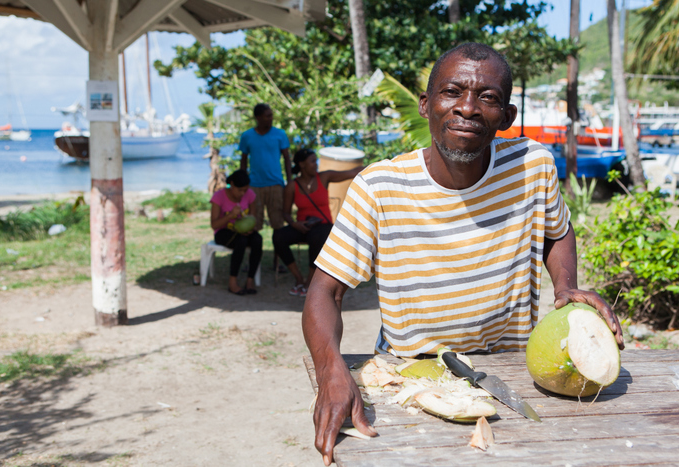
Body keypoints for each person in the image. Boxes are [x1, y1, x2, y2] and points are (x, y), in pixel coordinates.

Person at [301, 42, 626, 466]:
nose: (468, 108)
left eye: (488, 97)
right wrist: (331, 370)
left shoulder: (533, 167)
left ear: (507, 117)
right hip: (409, 374)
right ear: (426, 104)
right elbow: (325, 292)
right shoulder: (379, 188)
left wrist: (566, 286)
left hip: (509, 370)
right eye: (452, 92)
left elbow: (557, 233)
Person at [273, 148, 364, 297]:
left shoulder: (324, 177)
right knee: (278, 237)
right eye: (312, 161)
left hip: (323, 226)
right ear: (302, 164)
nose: (316, 164)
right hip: (303, 226)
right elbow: (285, 213)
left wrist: (375, 167)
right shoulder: (292, 186)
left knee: (318, 236)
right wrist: (295, 224)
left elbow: (351, 172)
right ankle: (298, 278)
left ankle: (310, 282)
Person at [239, 103, 292, 235]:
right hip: (254, 185)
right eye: (267, 116)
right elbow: (244, 160)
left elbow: (287, 158)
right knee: (254, 222)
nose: (270, 118)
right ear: (258, 117)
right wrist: (243, 182)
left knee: (278, 222)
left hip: (275, 184)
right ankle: (255, 253)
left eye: (271, 116)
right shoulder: (247, 136)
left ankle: (278, 255)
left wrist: (289, 181)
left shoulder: (280, 134)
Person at [210, 169, 262, 296]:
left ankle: (250, 280)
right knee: (241, 241)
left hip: (243, 232)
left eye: (245, 190)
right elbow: (214, 225)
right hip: (223, 232)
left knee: (257, 239)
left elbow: (253, 218)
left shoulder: (250, 194)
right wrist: (231, 216)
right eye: (240, 190)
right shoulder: (219, 196)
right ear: (232, 184)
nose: (242, 193)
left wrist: (250, 228)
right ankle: (232, 282)